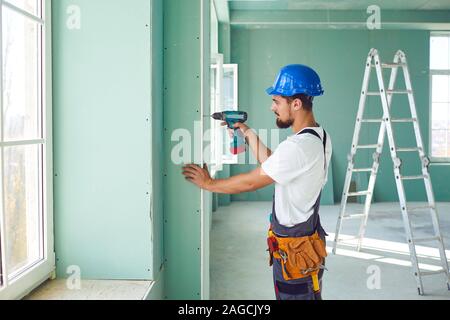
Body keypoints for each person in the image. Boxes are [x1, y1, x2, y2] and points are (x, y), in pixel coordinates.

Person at [182, 64, 332, 300]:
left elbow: (252, 182)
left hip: (295, 252)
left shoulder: (298, 147)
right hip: (306, 246)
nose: (272, 107)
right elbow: (274, 163)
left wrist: (209, 183)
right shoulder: (319, 137)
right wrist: (247, 132)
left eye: (276, 101)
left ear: (296, 103)